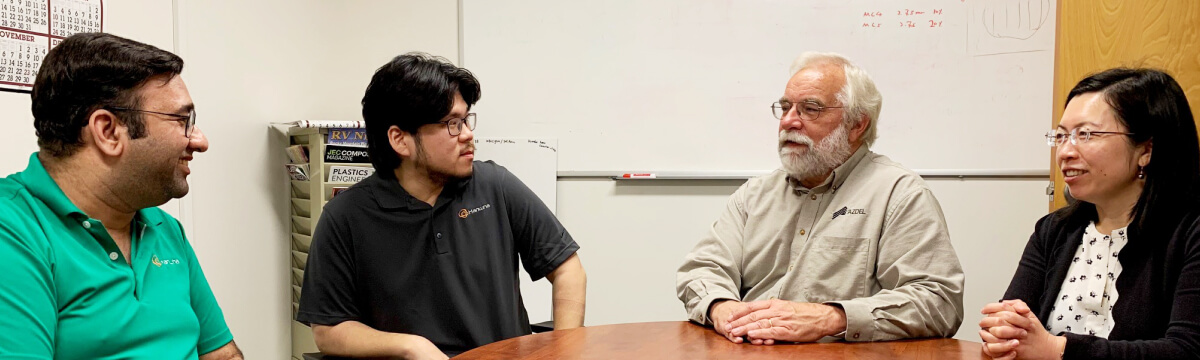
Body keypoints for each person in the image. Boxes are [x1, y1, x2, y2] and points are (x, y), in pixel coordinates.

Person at [296, 52, 586, 359]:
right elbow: (328, 330)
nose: (468, 134)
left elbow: (568, 268)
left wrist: (562, 348)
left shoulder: (495, 185)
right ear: (400, 140)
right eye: (452, 124)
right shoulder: (345, 216)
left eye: (466, 120)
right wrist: (411, 346)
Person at [676, 51, 964, 344]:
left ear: (856, 125)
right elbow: (701, 268)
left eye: (810, 109)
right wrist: (721, 307)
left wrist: (833, 318)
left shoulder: (898, 194)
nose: (789, 121)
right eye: (785, 107)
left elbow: (939, 302)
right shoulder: (755, 194)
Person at [0, 33, 241, 359]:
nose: (199, 140)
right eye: (183, 121)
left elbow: (221, 354)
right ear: (108, 131)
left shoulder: (162, 227)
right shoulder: (13, 231)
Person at [979, 68, 1200, 360]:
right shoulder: (1054, 230)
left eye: (1085, 134)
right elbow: (1016, 321)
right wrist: (1002, 331)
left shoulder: (1189, 233)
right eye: (1060, 136)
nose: (1065, 152)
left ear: (1146, 149)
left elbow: (1187, 351)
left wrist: (1056, 349)